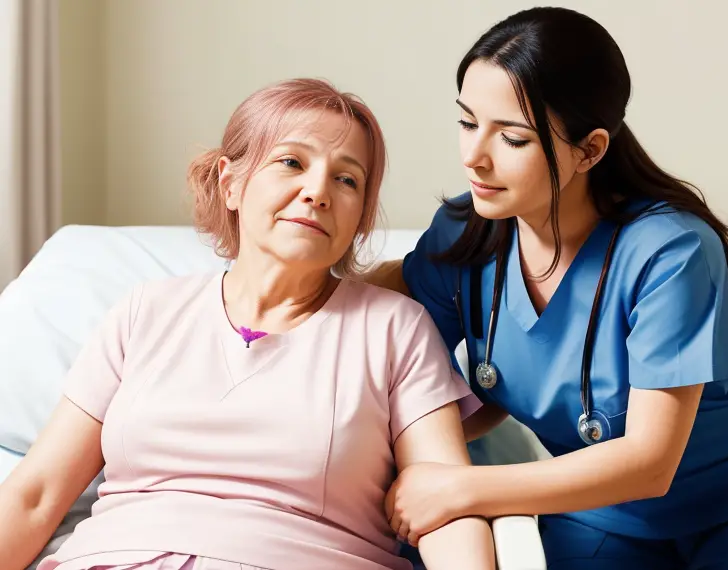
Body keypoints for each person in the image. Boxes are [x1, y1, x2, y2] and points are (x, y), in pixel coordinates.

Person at [0, 78, 496, 570]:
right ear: (230, 183)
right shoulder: (144, 312)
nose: (317, 191)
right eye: (291, 162)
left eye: (347, 180)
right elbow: (36, 495)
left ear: (360, 217)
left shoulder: (394, 329)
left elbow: (445, 506)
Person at [367, 7, 728, 570]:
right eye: (466, 122)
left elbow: (651, 462)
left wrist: (461, 489)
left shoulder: (671, 252)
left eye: (511, 137)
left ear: (590, 150)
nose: (473, 157)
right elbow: (428, 388)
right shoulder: (464, 235)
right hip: (602, 507)